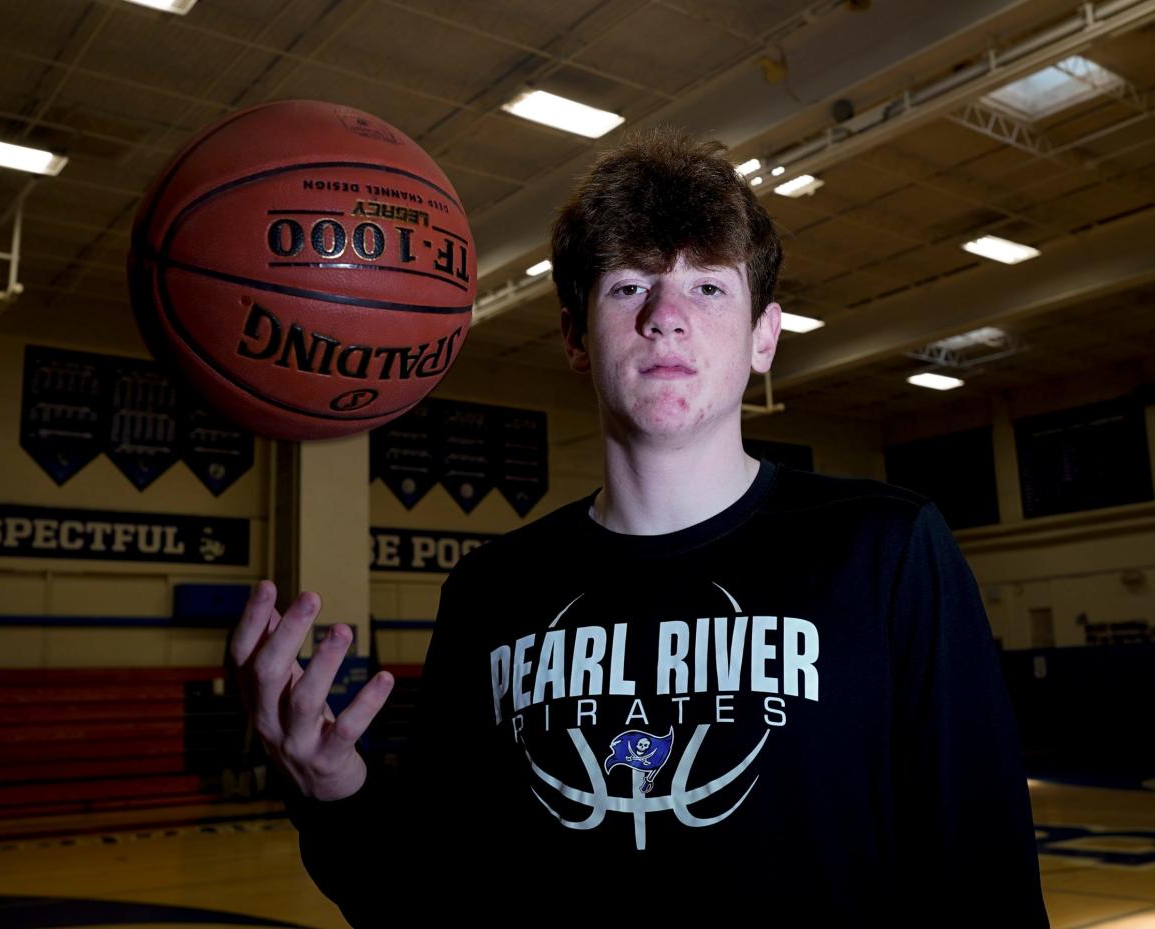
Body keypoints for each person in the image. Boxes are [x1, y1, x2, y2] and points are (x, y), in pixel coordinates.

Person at [229, 129, 1049, 927]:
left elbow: (985, 879)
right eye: (628, 286)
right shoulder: (493, 592)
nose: (665, 314)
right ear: (575, 337)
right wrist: (333, 790)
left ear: (765, 336)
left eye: (708, 286)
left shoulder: (884, 547)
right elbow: (430, 902)